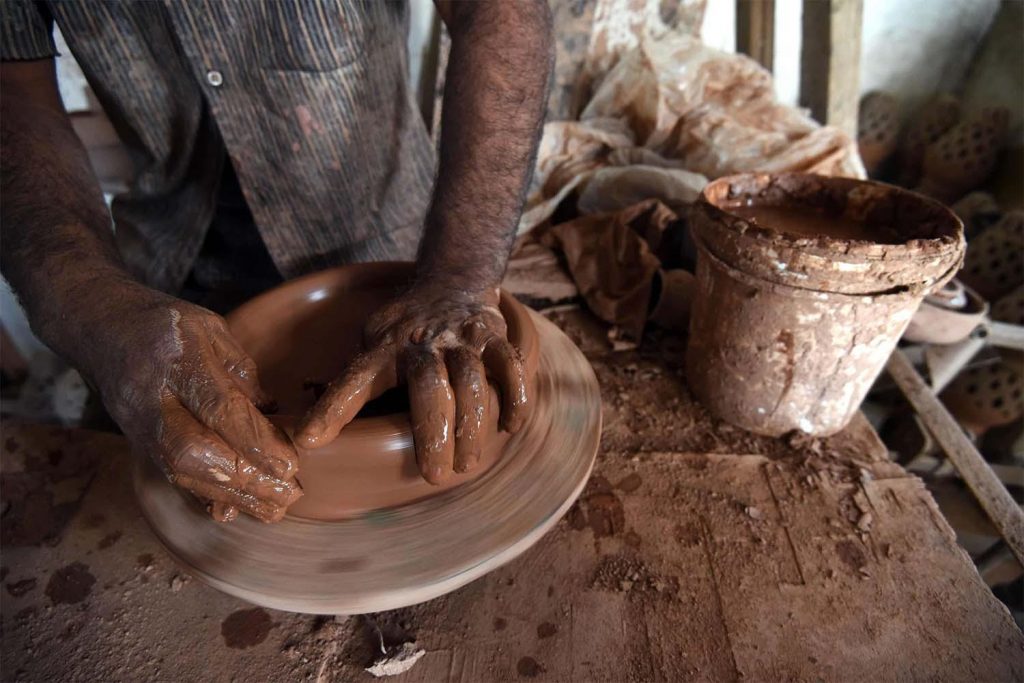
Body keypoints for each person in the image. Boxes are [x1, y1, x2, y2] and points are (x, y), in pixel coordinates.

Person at [0, 1, 553, 522]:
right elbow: (14, 95)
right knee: (120, 494)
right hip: (162, 278)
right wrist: (85, 301)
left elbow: (500, 9)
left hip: (401, 262)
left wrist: (460, 277)